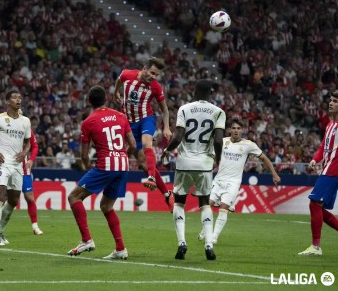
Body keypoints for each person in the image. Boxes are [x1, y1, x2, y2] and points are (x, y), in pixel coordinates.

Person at [159, 79, 226, 260]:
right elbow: (219, 141)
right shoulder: (219, 112)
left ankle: (182, 242)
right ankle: (209, 245)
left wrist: (166, 151)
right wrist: (218, 160)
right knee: (204, 204)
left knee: (179, 203)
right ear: (211, 94)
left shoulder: (185, 109)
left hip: (184, 163)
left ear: (194, 91)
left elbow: (178, 136)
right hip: (204, 164)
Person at [67, 85, 136, 260]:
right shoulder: (121, 116)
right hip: (123, 165)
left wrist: (87, 166)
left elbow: (83, 155)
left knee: (74, 197)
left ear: (89, 101)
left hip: (106, 165)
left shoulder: (88, 122)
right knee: (106, 206)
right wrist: (121, 157)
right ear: (105, 99)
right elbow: (133, 145)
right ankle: (120, 249)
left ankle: (86, 240)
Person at [198, 119, 281, 250]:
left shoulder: (249, 145)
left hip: (233, 182)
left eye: (238, 128)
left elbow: (264, 158)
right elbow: (213, 159)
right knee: (208, 206)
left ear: (242, 130)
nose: (236, 130)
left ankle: (213, 237)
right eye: (233, 128)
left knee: (223, 208)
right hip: (218, 180)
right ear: (230, 130)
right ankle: (205, 230)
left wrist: (274, 174)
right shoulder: (222, 141)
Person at [114, 56, 174, 212]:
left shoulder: (155, 87)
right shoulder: (127, 75)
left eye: (157, 75)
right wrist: (115, 93)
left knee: (148, 143)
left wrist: (166, 127)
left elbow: (164, 109)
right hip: (128, 123)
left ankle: (152, 178)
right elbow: (119, 81)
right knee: (142, 164)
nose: (154, 77)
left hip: (146, 118)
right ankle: (167, 194)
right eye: (152, 73)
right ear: (145, 68)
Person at [0, 90, 31, 246]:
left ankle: (0, 230)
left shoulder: (25, 121)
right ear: (8, 102)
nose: (18, 100)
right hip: (1, 161)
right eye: (15, 97)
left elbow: (28, 141)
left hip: (17, 163)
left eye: (20, 97)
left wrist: (25, 152)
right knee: (0, 195)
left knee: (14, 200)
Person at [298, 91, 338, 256]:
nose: (331, 103)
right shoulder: (330, 125)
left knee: (314, 203)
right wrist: (315, 160)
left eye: (335, 101)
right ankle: (315, 247)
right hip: (327, 169)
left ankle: (315, 247)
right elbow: (323, 147)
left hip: (334, 170)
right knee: (318, 208)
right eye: (331, 100)